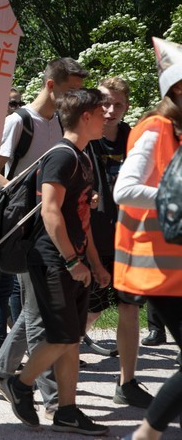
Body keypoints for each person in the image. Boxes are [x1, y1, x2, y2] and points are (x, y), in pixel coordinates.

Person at [0, 88, 109, 435]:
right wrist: (73, 261)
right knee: (61, 336)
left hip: (73, 259)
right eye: (101, 110)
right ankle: (19, 384)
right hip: (52, 260)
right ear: (86, 117)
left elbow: (81, 218)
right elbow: (49, 211)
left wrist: (95, 263)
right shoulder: (61, 156)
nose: (107, 115)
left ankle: (67, 411)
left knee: (71, 338)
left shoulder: (82, 157)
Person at [0, 57, 87, 418]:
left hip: (52, 230)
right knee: (41, 315)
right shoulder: (18, 121)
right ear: (51, 85)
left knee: (36, 312)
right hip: (26, 231)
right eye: (71, 90)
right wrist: (32, 195)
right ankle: (53, 400)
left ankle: (3, 372)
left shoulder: (62, 123)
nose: (76, 98)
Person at [115, 37, 182, 440]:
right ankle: (145, 435)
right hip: (159, 269)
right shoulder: (156, 129)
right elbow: (124, 190)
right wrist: (174, 197)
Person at [82, 77, 154, 408]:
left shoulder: (135, 138)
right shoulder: (84, 137)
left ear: (127, 107)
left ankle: (127, 382)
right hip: (91, 239)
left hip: (130, 238)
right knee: (91, 308)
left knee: (129, 307)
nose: (111, 110)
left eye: (118, 104)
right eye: (105, 103)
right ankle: (54, 363)